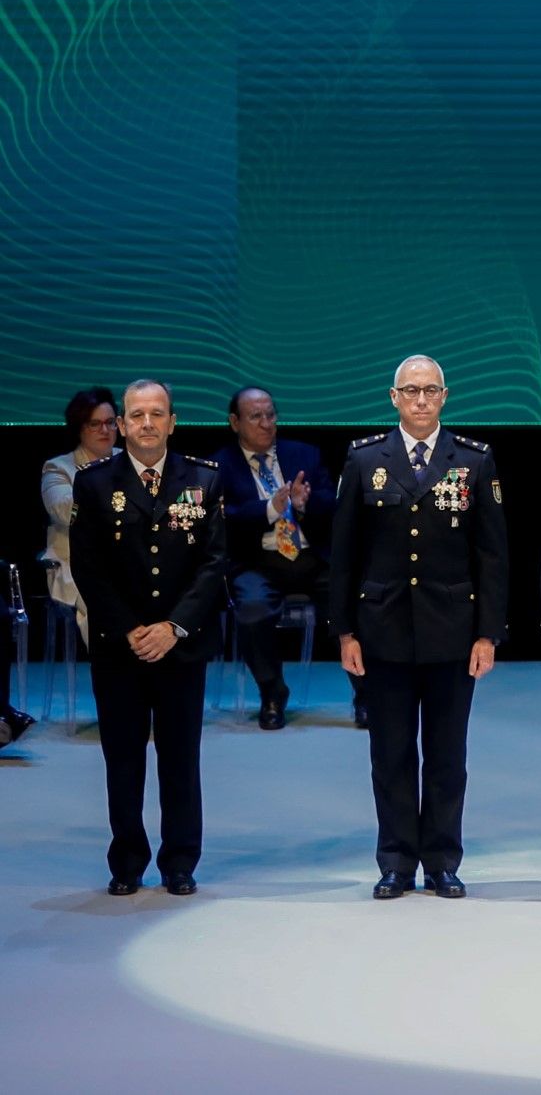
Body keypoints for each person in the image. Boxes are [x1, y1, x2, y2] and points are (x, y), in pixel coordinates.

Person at [329, 356, 507, 900]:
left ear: (445, 396)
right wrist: (345, 631)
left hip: (452, 631)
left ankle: (442, 861)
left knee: (448, 756)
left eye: (431, 391)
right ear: (393, 397)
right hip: (382, 630)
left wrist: (487, 634)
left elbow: (493, 554)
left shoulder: (473, 459)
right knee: (391, 753)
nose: (421, 400)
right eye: (411, 391)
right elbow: (345, 552)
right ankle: (397, 862)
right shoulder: (365, 459)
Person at [67, 380, 228, 895]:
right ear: (121, 424)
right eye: (136, 415)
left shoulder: (203, 478)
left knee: (181, 757)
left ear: (173, 422)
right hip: (121, 645)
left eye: (157, 414)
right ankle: (128, 862)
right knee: (123, 757)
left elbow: (213, 562)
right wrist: (131, 627)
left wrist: (173, 627)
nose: (147, 424)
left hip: (182, 644)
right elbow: (88, 567)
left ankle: (179, 861)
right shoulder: (93, 484)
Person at [214, 386, 346, 730]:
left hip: (310, 556)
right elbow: (223, 519)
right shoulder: (219, 465)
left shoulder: (305, 454)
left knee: (351, 600)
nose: (266, 423)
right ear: (235, 422)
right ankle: (272, 694)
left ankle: (366, 696)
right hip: (257, 561)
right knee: (253, 609)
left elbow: (332, 504)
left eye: (271, 414)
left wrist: (304, 504)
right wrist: (270, 508)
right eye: (256, 416)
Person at [40, 386, 121, 643]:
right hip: (76, 563)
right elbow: (65, 512)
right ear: (79, 427)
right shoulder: (58, 467)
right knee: (104, 594)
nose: (105, 431)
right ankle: (116, 665)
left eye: (110, 422)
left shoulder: (132, 460)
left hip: (131, 558)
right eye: (95, 424)